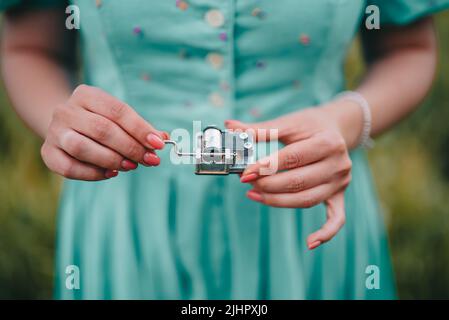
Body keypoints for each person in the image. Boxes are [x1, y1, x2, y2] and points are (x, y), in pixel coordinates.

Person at [1, 0, 448, 299]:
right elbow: (29, 46)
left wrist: (346, 120)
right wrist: (64, 124)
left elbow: (407, 46)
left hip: (310, 219)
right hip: (128, 217)